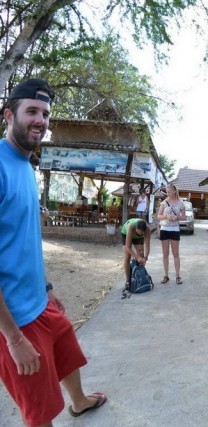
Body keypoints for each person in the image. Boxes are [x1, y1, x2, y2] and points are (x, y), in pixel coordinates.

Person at [0, 78, 107, 425]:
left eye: (45, 113)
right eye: (31, 111)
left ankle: (78, 401)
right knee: (40, 410)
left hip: (38, 301)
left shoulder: (26, 166)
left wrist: (46, 288)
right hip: (12, 319)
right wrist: (13, 338)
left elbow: (22, 241)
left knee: (66, 349)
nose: (40, 120)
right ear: (8, 115)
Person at [157, 184, 185, 284]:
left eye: (169, 191)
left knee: (176, 253)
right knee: (165, 254)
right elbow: (158, 216)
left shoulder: (181, 203)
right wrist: (166, 216)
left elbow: (184, 217)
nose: (167, 193)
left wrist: (177, 217)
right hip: (164, 229)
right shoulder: (164, 203)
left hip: (175, 229)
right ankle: (166, 275)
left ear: (174, 191)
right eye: (166, 192)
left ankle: (178, 276)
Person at [121, 217, 151, 287]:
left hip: (138, 239)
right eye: (138, 232)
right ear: (136, 228)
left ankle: (139, 277)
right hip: (126, 234)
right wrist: (137, 257)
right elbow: (127, 248)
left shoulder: (147, 229)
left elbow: (147, 245)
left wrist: (145, 258)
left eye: (141, 233)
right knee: (127, 257)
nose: (140, 234)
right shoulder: (131, 227)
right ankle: (128, 280)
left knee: (141, 255)